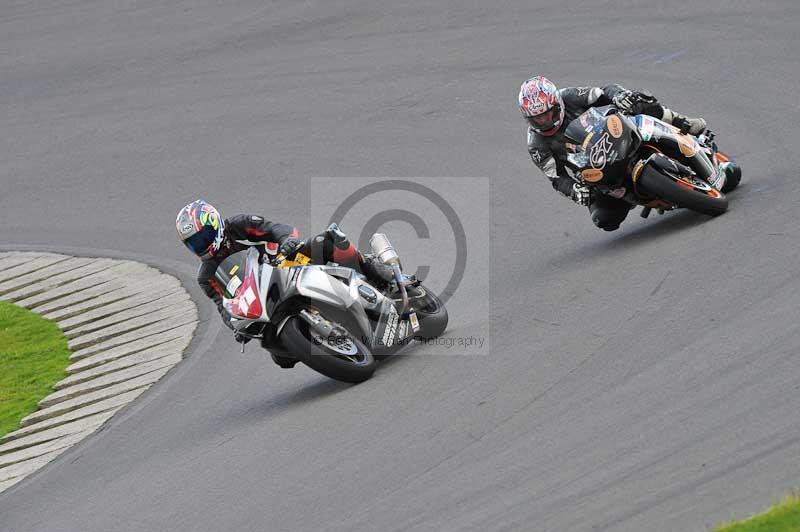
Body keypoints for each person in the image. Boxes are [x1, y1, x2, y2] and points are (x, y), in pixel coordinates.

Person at [175, 200, 392, 342]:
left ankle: (378, 274)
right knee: (278, 353)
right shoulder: (206, 277)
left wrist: (287, 241)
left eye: (202, 237)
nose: (200, 245)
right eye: (193, 243)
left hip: (287, 265)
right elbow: (223, 305)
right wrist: (236, 326)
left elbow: (275, 229)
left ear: (214, 224)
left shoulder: (238, 226)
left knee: (326, 241)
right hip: (265, 302)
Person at [519, 75, 707, 231]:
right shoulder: (536, 144)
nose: (543, 120)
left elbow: (604, 91)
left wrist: (620, 96)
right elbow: (557, 178)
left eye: (547, 114)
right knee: (604, 220)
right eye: (537, 118)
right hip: (596, 170)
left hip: (615, 134)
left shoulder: (569, 96)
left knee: (638, 102)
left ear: (557, 104)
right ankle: (641, 196)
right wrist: (575, 191)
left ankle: (683, 123)